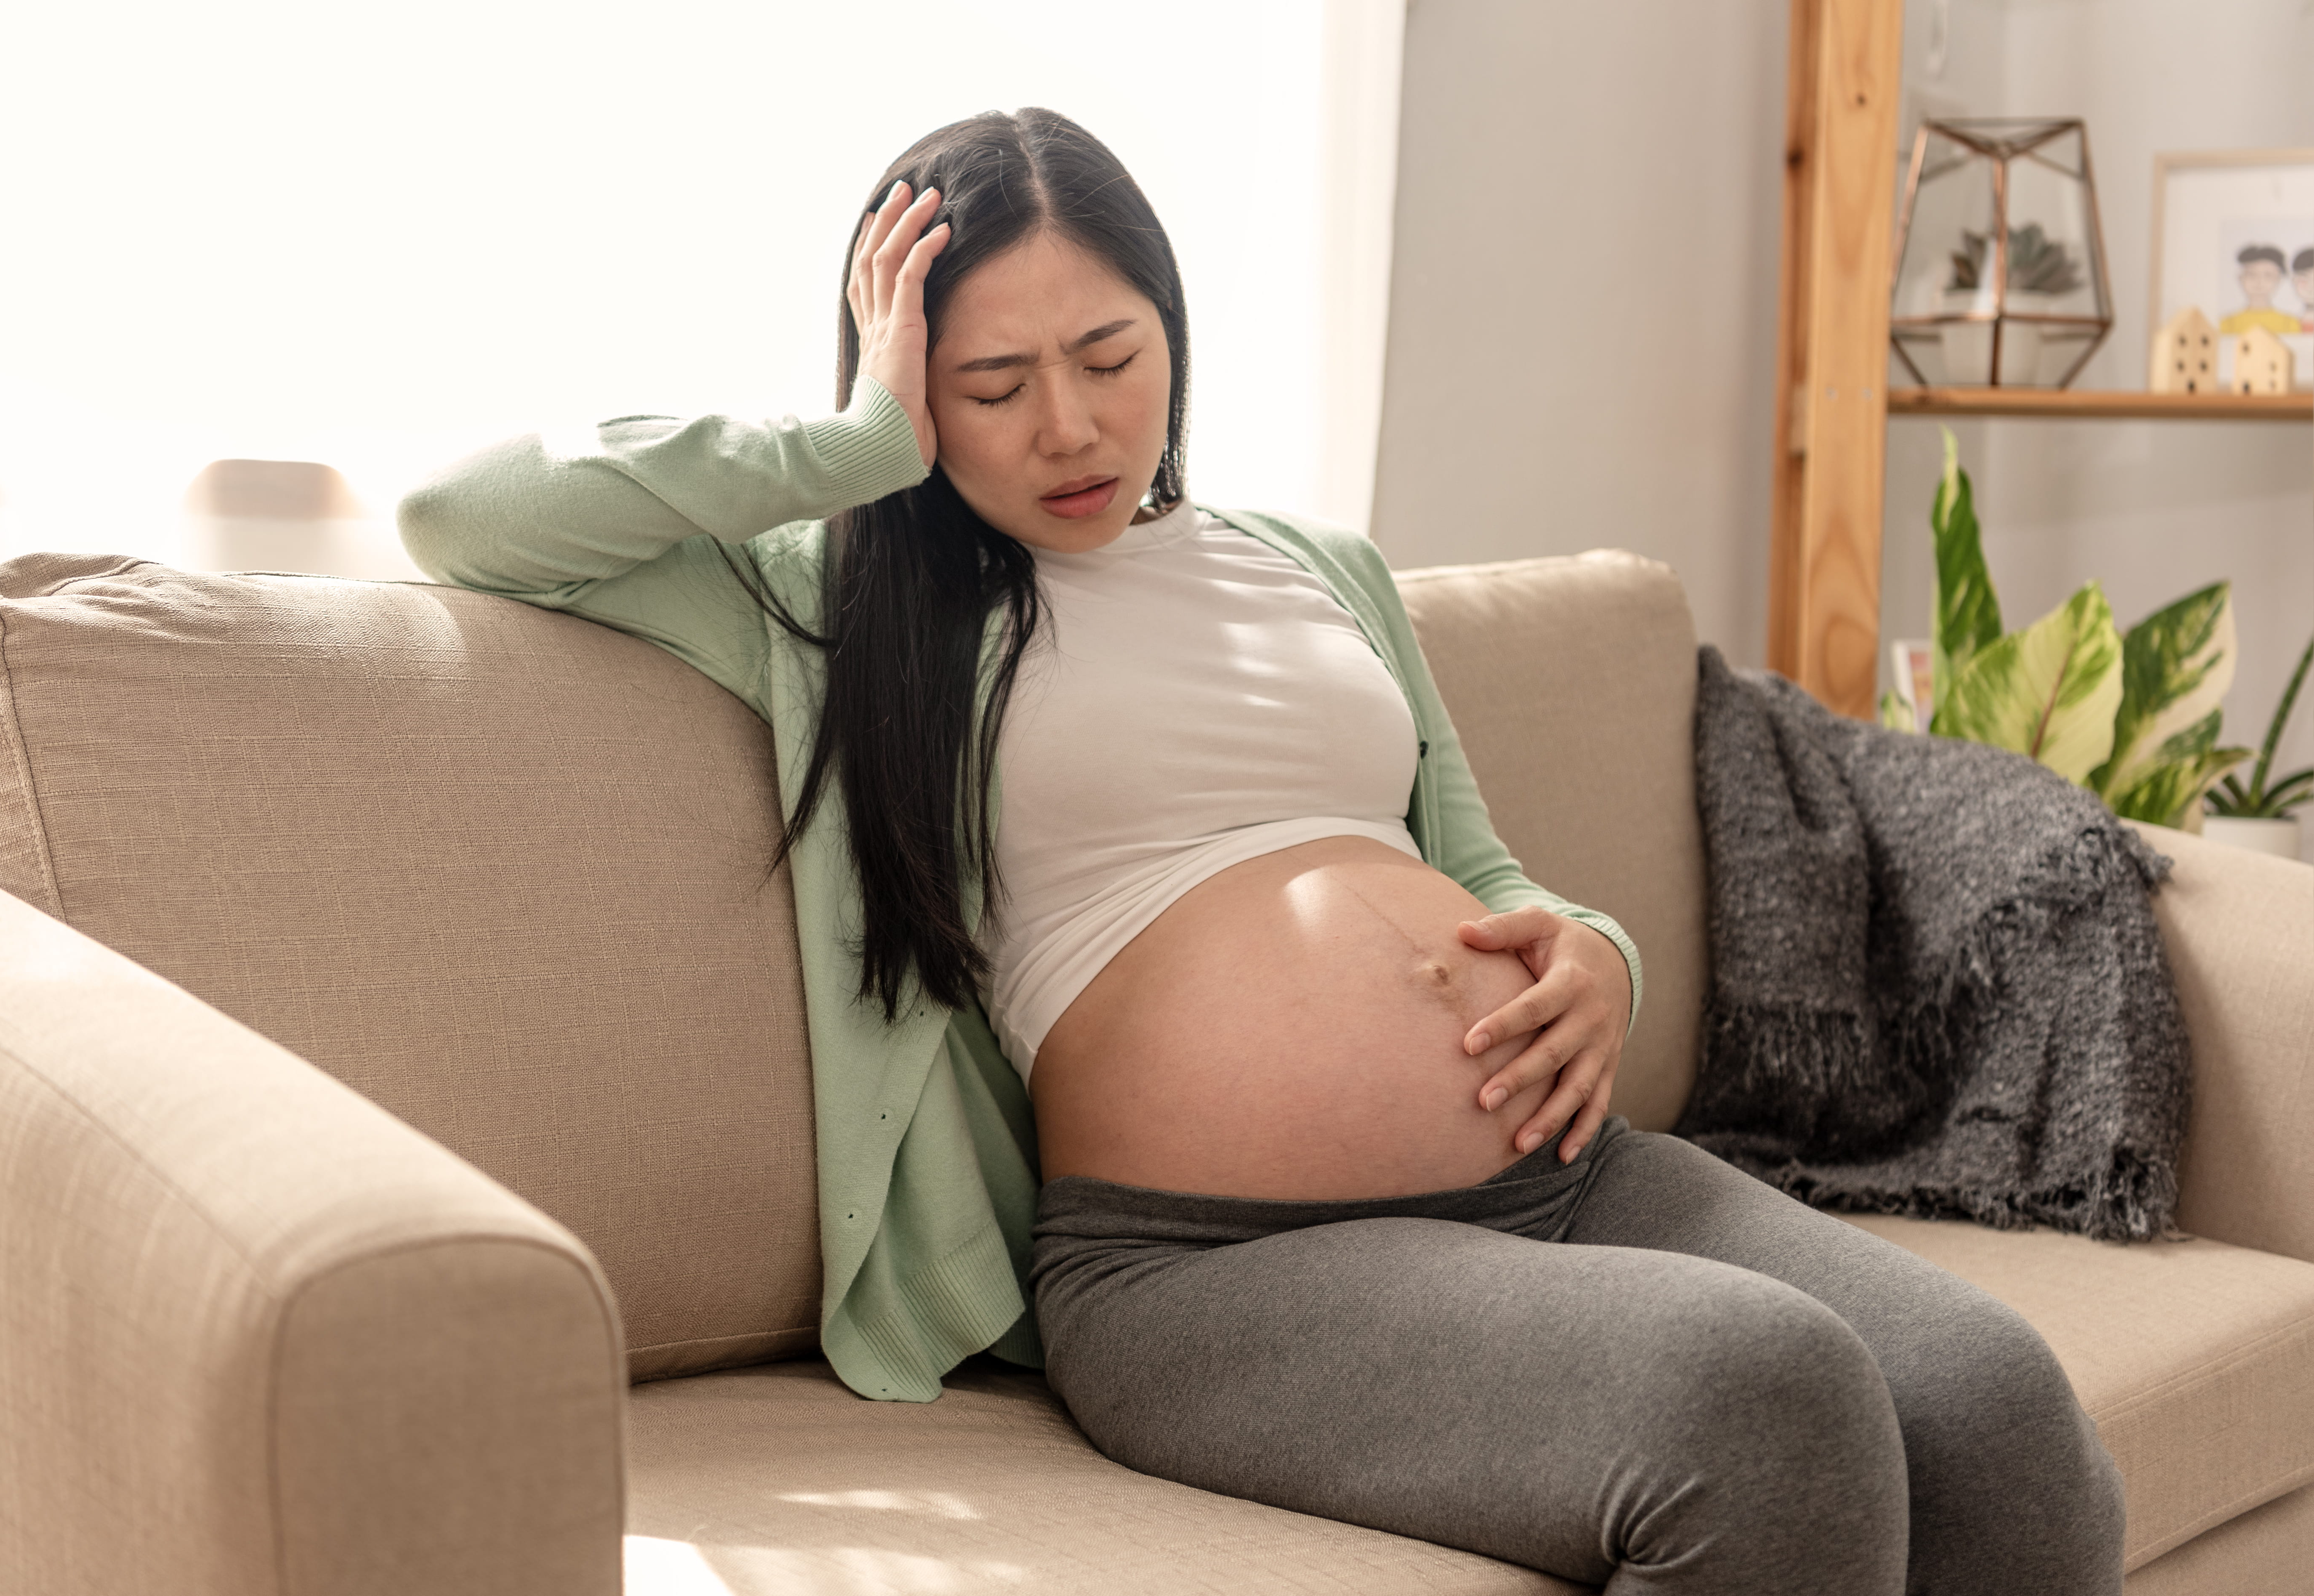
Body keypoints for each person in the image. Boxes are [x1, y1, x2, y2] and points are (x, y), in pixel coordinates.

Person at [400, 108, 2122, 1596]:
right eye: (993, 384)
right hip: (1209, 1264)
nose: (1070, 427)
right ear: (913, 382)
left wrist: (1594, 952)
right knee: (1757, 1402)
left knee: (1996, 1409)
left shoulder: (1313, 566)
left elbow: (1484, 868)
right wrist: (847, 451)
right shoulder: (843, 604)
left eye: (1109, 357)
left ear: (1173, 329)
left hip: (1564, 1173)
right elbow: (466, 521)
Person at [2222, 243, 2299, 336]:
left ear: (2279, 280)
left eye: (2268, 275)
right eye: (2252, 274)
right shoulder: (2228, 323)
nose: (2259, 282)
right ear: (2241, 278)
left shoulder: (2289, 323)